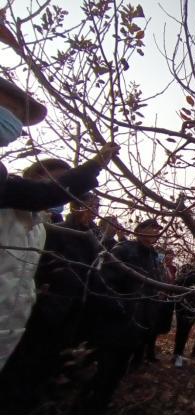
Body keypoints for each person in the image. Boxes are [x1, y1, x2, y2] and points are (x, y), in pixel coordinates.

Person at [0, 76, 119, 373]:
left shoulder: (38, 228)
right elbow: (40, 195)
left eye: (19, 117)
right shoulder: (13, 205)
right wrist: (95, 164)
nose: (15, 124)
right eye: (10, 111)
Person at [78, 218, 164, 413]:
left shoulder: (152, 257)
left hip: (137, 327)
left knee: (118, 372)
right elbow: (104, 282)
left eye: (158, 230)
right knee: (104, 371)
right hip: (116, 326)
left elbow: (153, 288)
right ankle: (86, 406)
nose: (156, 233)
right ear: (140, 230)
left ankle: (102, 403)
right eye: (152, 228)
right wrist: (122, 309)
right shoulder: (124, 250)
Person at [173, 256, 195, 368]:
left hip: (194, 307)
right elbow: (177, 283)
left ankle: (179, 354)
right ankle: (177, 355)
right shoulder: (186, 269)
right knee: (182, 331)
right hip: (183, 305)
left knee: (185, 332)